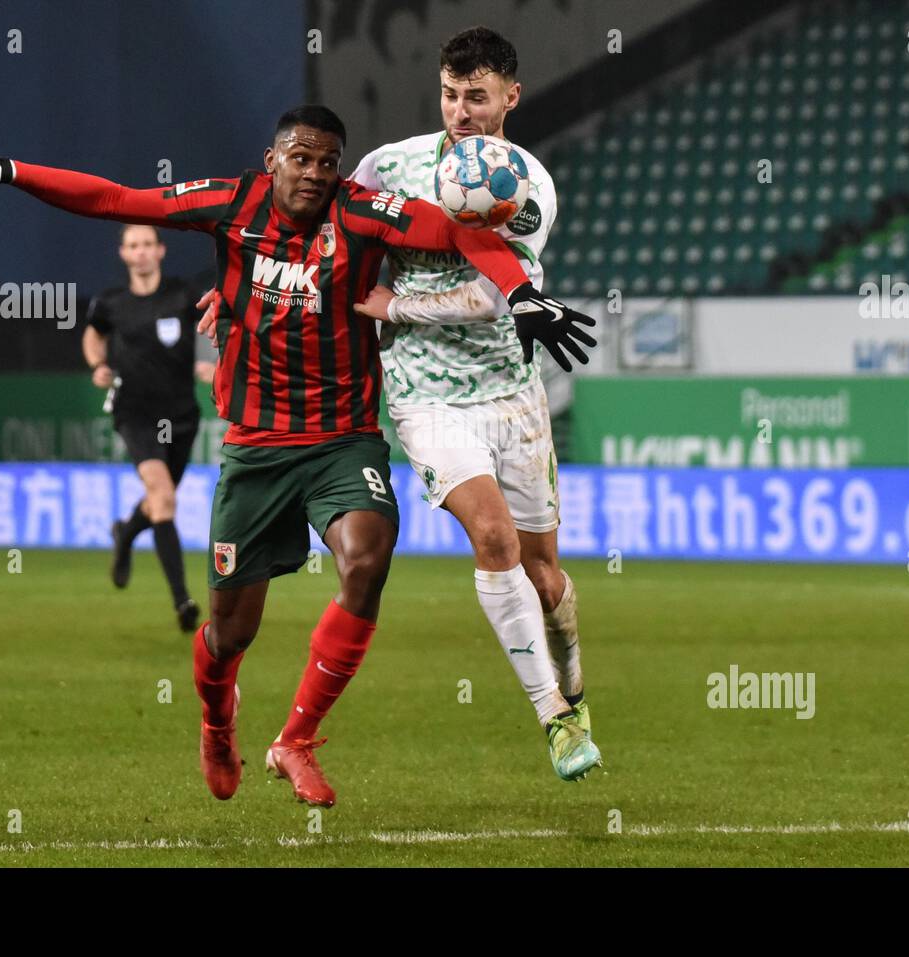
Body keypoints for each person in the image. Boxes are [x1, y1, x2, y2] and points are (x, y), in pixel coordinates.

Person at [0, 103, 596, 807]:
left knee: (366, 559)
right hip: (256, 449)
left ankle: (296, 740)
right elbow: (118, 198)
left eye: (327, 162)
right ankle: (217, 721)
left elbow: (457, 232)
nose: (313, 174)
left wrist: (522, 295)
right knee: (229, 631)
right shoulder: (229, 204)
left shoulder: (363, 212)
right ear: (271, 161)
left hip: (342, 439)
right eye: (299, 159)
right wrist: (6, 170)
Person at [349, 27, 601, 780]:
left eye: (478, 97)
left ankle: (575, 683)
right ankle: (555, 719)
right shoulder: (387, 166)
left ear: (510, 98)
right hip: (428, 395)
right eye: (452, 95)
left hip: (511, 393)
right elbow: (334, 235)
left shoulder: (527, 188)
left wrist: (395, 308)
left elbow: (496, 297)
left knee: (546, 577)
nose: (462, 111)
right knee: (491, 537)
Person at [82, 223, 215, 631]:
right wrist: (98, 365)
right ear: (123, 254)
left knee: (161, 500)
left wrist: (210, 360)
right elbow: (93, 335)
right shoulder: (110, 302)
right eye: (132, 245)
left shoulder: (184, 294)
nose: (139, 252)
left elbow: (212, 326)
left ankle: (125, 534)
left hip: (181, 416)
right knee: (162, 495)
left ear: (160, 250)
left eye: (146, 244)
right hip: (135, 414)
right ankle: (183, 602)